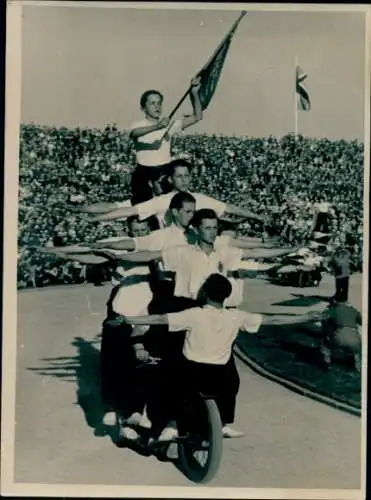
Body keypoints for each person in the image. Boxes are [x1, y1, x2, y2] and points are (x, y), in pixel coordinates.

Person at [121, 273, 324, 441]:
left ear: (205, 293)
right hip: (219, 373)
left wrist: (126, 319)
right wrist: (305, 317)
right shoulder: (236, 316)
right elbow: (273, 319)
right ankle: (224, 423)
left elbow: (158, 319)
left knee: (173, 383)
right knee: (232, 382)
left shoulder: (194, 314)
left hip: (192, 370)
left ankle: (172, 425)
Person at [86, 160, 266, 228]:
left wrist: (256, 216)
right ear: (170, 179)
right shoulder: (161, 201)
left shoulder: (201, 199)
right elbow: (128, 211)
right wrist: (96, 219)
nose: (184, 180)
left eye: (187, 176)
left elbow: (229, 208)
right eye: (179, 176)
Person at [129, 77, 203, 204]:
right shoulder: (138, 125)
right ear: (143, 108)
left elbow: (197, 116)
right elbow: (134, 134)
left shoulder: (170, 125)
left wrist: (194, 93)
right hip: (143, 173)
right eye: (152, 103)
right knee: (141, 210)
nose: (157, 106)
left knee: (168, 207)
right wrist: (157, 127)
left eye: (159, 103)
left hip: (164, 172)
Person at [319, 296, 362, 372]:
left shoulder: (333, 310)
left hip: (339, 336)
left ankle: (326, 364)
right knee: (356, 351)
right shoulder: (354, 310)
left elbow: (323, 322)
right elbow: (362, 322)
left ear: (335, 301)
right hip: (354, 338)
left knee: (325, 345)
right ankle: (358, 367)